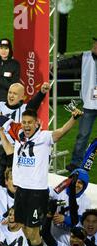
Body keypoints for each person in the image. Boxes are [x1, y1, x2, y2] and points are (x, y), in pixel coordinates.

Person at [0, 89, 83, 246]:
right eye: (24, 122)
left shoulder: (44, 137)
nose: (26, 126)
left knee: (34, 232)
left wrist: (73, 119)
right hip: (21, 191)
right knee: (26, 231)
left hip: (36, 193)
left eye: (30, 123)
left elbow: (60, 133)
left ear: (37, 124)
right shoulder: (18, 134)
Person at [60, 37, 97, 172]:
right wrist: (56, 65)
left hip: (90, 103)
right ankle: (75, 163)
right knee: (83, 135)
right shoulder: (86, 56)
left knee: (83, 134)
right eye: (94, 43)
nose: (94, 45)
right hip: (89, 104)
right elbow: (71, 62)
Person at [0, 38, 21, 103]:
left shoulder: (15, 64)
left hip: (6, 102)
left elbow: (13, 86)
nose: (3, 51)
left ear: (10, 50)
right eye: (1, 48)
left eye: (6, 48)